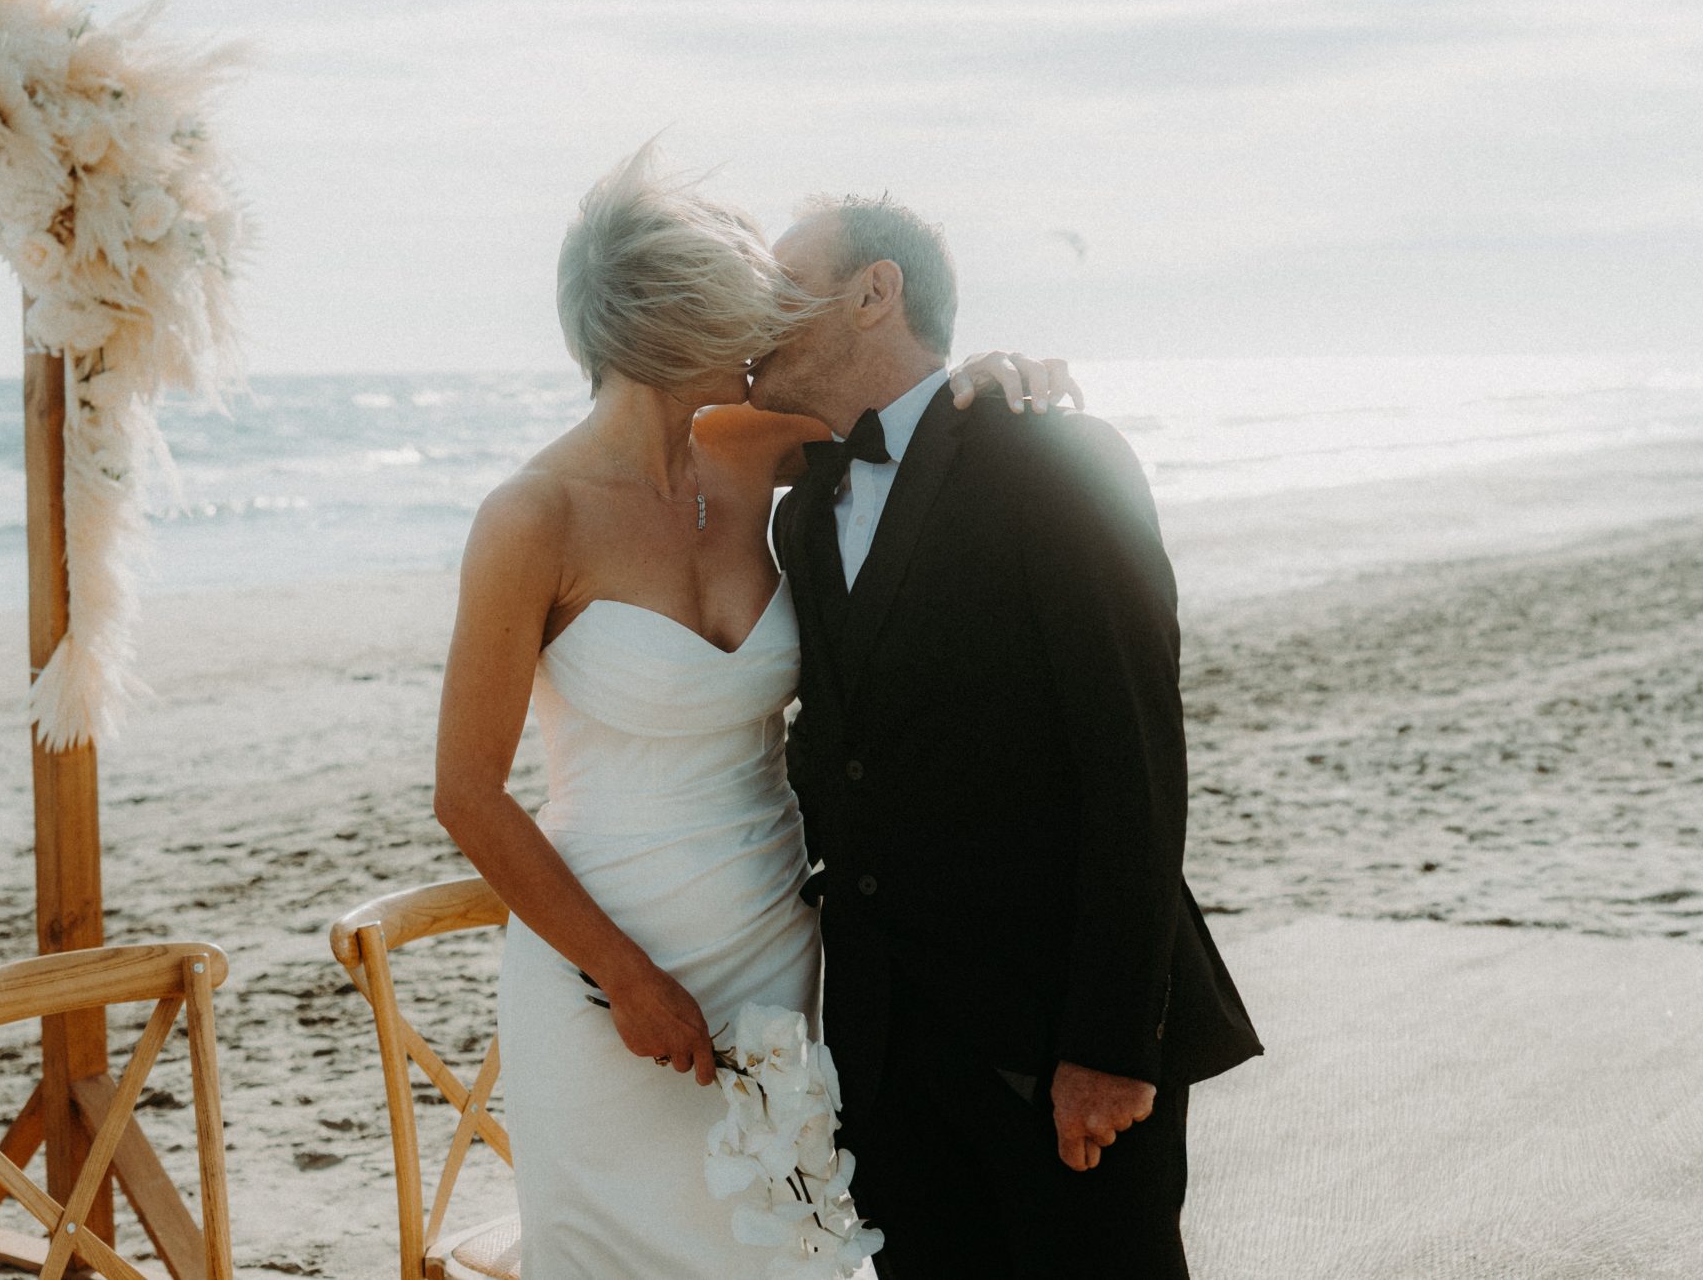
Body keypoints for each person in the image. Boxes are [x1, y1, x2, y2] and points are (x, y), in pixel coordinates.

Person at [433, 148, 1076, 1277]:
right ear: (671, 318)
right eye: (742, 305)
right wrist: (627, 977)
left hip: (777, 948)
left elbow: (904, 423)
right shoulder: (530, 517)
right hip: (606, 976)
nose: (766, 330)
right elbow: (467, 794)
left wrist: (987, 375)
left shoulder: (748, 451)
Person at [749, 194, 1262, 1278]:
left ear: (874, 292)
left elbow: (1135, 762)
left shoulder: (1055, 459)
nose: (753, 317)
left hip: (1053, 1044)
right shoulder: (800, 513)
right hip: (889, 1060)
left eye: (778, 289)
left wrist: (1109, 1045)